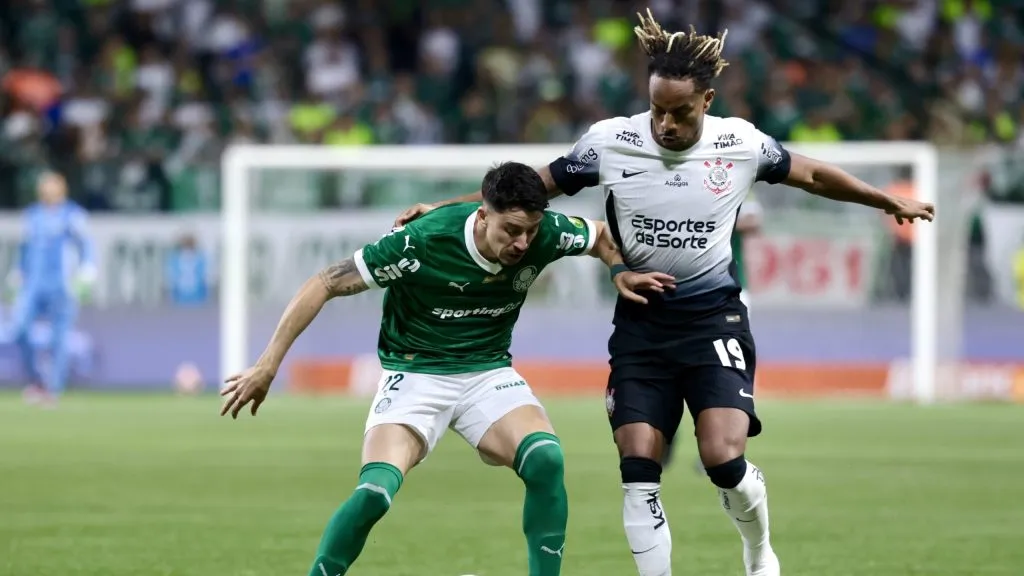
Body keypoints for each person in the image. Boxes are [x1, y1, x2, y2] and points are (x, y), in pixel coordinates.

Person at [393, 11, 934, 576]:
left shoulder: (740, 143)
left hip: (712, 320)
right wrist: (456, 212)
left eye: (679, 112)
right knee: (638, 471)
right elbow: (531, 188)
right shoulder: (610, 143)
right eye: (657, 110)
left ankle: (758, 552)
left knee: (723, 459)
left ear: (707, 100)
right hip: (641, 325)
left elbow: (815, 175)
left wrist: (886, 200)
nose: (666, 124)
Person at [220, 161, 673, 576]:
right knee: (375, 492)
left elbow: (598, 236)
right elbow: (325, 282)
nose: (522, 243)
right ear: (482, 214)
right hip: (415, 374)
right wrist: (267, 365)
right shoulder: (422, 241)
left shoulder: (547, 232)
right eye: (511, 230)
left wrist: (618, 270)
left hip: (486, 373)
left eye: (530, 232)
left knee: (546, 459)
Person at [8, 171, 95, 407]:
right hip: (33, 285)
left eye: (51, 185)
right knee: (19, 328)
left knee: (59, 337)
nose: (46, 190)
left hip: (62, 285)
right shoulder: (32, 215)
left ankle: (53, 388)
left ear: (61, 188)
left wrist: (88, 269)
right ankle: (36, 380)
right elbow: (25, 247)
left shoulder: (72, 214)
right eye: (43, 186)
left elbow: (86, 243)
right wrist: (18, 272)